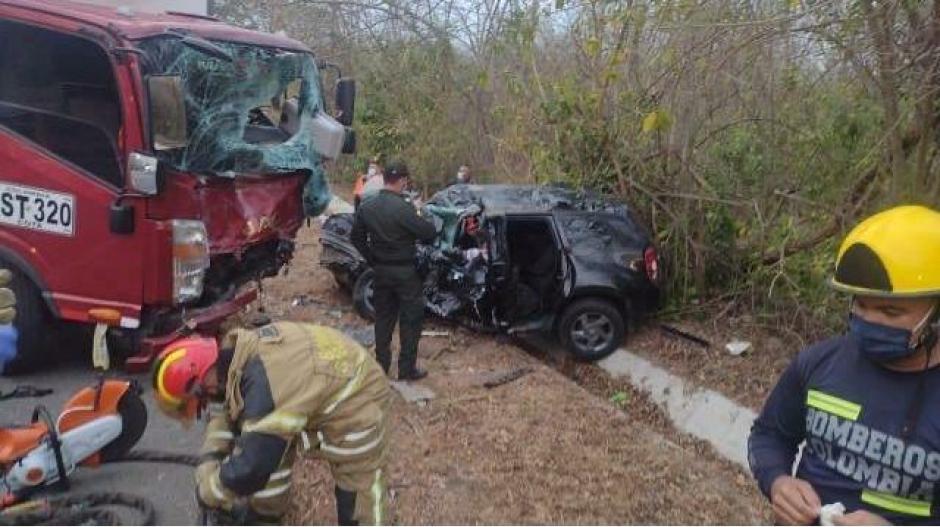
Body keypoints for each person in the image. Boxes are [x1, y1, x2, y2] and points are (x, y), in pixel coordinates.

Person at [748, 205, 940, 526]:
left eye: (890, 312)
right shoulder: (819, 363)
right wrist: (778, 481)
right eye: (861, 304)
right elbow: (768, 435)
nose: (869, 320)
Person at [152, 321, 392, 525]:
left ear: (200, 379)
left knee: (358, 489)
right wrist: (210, 458)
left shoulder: (263, 388)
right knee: (271, 447)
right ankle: (267, 512)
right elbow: (226, 415)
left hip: (357, 394)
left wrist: (210, 492)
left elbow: (252, 467)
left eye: (199, 399)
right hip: (321, 379)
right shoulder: (237, 358)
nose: (205, 402)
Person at [351, 160, 436, 381]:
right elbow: (428, 233)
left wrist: (372, 259)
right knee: (411, 320)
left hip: (381, 271)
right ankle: (406, 369)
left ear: (384, 179)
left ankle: (381, 367)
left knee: (383, 320)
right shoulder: (404, 208)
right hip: (405, 273)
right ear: (403, 181)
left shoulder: (368, 207)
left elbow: (356, 237)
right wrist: (421, 213)